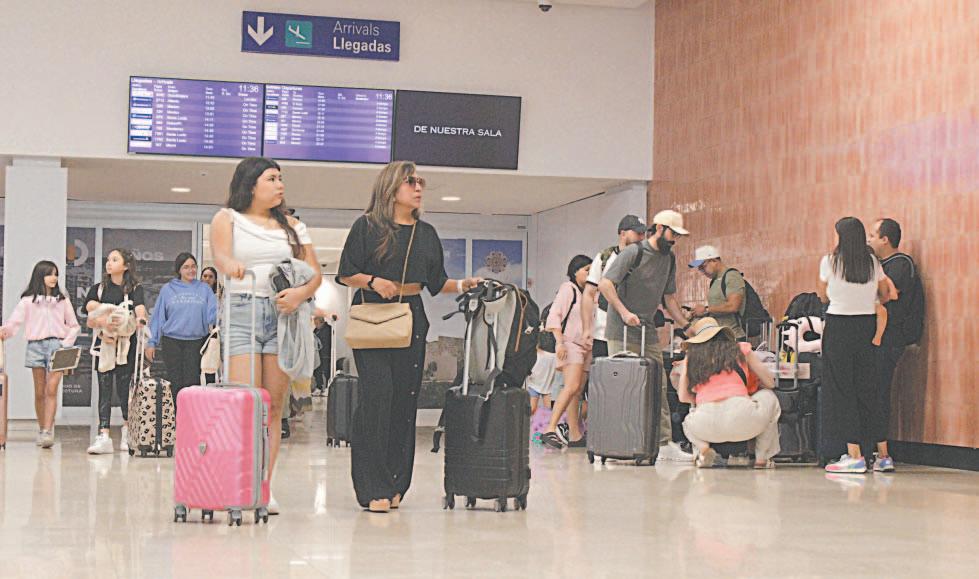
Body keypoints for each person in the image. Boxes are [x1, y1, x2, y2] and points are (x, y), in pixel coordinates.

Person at [337, 161, 481, 513]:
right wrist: (374, 281)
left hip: (411, 318)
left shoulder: (426, 233)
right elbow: (346, 273)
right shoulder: (367, 226)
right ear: (391, 188)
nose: (418, 188)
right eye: (410, 182)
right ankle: (372, 487)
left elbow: (437, 283)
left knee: (404, 401)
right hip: (372, 317)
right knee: (376, 398)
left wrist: (464, 284)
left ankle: (396, 482)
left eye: (420, 182)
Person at [210, 157, 323, 514]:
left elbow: (314, 275)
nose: (279, 185)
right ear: (251, 184)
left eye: (280, 178)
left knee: (274, 406)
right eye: (271, 178)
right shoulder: (227, 218)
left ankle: (263, 485)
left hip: (283, 315)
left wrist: (300, 294)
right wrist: (230, 265)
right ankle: (238, 481)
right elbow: (220, 257)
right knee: (246, 403)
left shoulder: (294, 227)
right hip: (242, 310)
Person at [598, 209, 695, 463]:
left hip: (647, 329)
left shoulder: (669, 259)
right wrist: (624, 312)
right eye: (673, 234)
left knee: (658, 385)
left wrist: (686, 325)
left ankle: (662, 443)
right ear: (660, 229)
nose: (674, 240)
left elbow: (668, 298)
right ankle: (620, 444)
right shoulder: (634, 252)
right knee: (624, 387)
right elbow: (605, 284)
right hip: (621, 330)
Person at [818, 217, 892, 474]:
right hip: (866, 326)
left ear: (841, 237)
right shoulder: (872, 263)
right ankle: (883, 456)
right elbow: (884, 294)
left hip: (838, 327)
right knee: (868, 389)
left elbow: (822, 295)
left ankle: (854, 456)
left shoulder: (830, 261)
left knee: (843, 390)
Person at [676, 318, 780, 468]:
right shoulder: (741, 349)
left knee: (688, 420)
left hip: (705, 425)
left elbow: (683, 397)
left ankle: (703, 449)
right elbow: (770, 383)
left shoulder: (691, 357)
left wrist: (703, 398)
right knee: (769, 397)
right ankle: (761, 458)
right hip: (744, 419)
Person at [0, 261, 80, 448]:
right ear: (40, 276)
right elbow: (13, 323)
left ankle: (47, 431)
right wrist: (4, 332)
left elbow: (74, 326)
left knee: (51, 389)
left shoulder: (62, 300)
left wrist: (65, 343)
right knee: (39, 391)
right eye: (49, 274)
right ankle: (42, 428)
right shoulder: (28, 301)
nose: (54, 278)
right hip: (35, 345)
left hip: (58, 347)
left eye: (56, 274)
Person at [85, 249, 148, 454]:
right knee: (104, 390)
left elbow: (140, 308)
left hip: (126, 345)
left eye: (114, 259)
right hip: (104, 344)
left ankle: (127, 431)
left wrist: (140, 319)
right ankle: (103, 434)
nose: (109, 263)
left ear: (126, 265)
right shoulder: (99, 289)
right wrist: (104, 322)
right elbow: (90, 317)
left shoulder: (135, 289)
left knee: (124, 389)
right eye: (108, 260)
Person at [867, 217, 915, 472]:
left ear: (885, 239)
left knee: (879, 392)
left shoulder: (900, 264)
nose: (869, 240)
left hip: (889, 340)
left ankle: (882, 451)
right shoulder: (880, 265)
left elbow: (886, 296)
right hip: (878, 339)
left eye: (872, 235)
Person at [145, 253, 218, 407]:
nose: (191, 270)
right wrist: (151, 342)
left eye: (193, 266)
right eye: (186, 267)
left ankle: (191, 417)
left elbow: (214, 314)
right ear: (179, 270)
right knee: (176, 382)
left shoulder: (205, 289)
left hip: (196, 343)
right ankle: (179, 418)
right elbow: (158, 317)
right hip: (172, 342)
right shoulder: (168, 289)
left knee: (192, 383)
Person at [540, 254, 594, 449]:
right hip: (571, 344)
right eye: (586, 270)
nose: (590, 273)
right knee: (571, 386)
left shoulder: (589, 293)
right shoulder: (568, 288)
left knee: (577, 391)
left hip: (587, 346)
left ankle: (574, 434)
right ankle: (550, 429)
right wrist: (559, 343)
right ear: (575, 271)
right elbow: (554, 316)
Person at [688, 246, 747, 341]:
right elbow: (716, 310)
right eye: (699, 269)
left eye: (703, 267)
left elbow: (733, 306)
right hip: (718, 336)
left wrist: (706, 310)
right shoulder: (715, 281)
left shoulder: (732, 276)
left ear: (714, 260)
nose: (702, 271)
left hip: (732, 336)